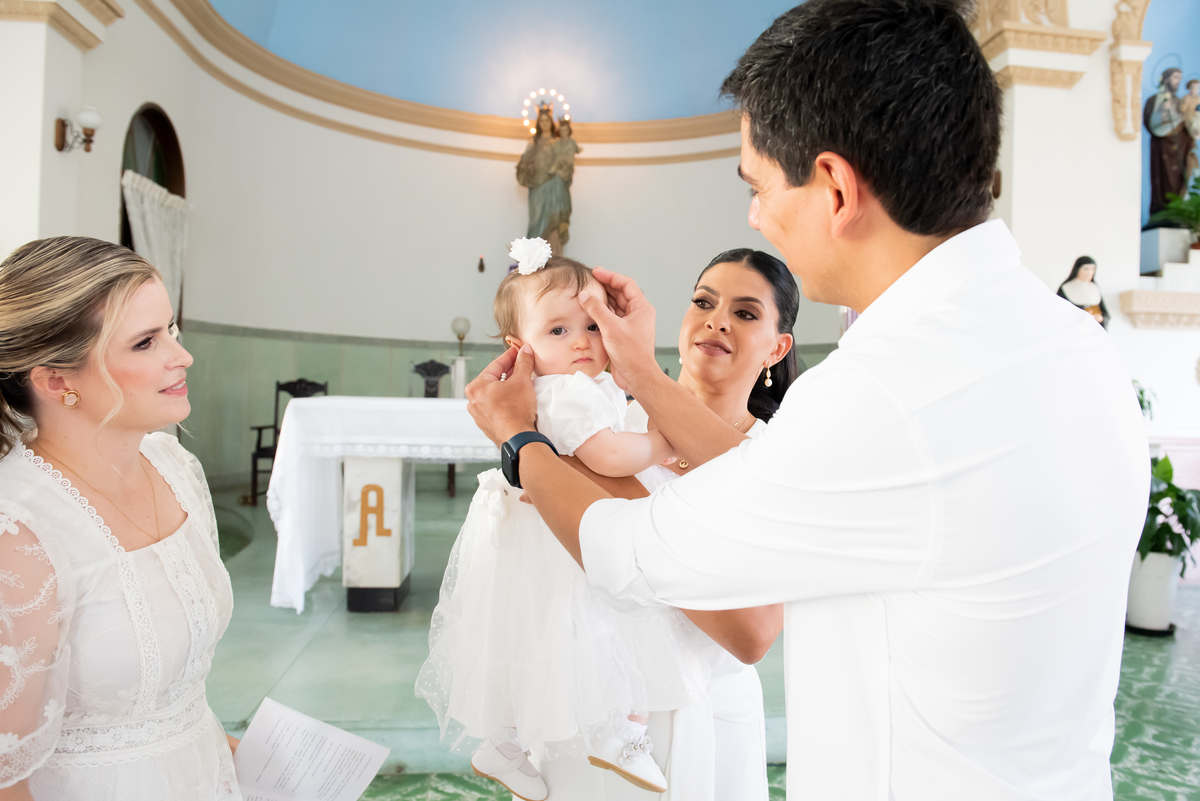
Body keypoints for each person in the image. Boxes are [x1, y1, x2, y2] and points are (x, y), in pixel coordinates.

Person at [464, 2, 1149, 799]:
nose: (756, 216)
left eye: (758, 187)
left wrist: (521, 440)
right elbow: (776, 474)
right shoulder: (1077, 345)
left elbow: (635, 554)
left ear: (834, 188)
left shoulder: (882, 393)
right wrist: (644, 376)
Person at [416, 239, 678, 800]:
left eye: (592, 326)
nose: (581, 341)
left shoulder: (565, 388)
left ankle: (505, 744)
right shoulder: (567, 393)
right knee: (619, 627)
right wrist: (664, 442)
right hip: (558, 535)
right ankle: (624, 735)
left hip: (530, 537)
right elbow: (608, 457)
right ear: (521, 348)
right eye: (558, 330)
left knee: (527, 637)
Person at [533, 248, 796, 801]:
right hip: (589, 694)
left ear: (777, 348)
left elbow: (751, 632)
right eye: (703, 302)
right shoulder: (605, 425)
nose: (716, 321)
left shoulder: (776, 459)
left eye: (745, 313)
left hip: (705, 707)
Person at [0, 237, 238, 800]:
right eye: (146, 342)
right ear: (58, 381)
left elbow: (170, 700)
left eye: (170, 330)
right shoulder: (20, 531)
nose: (182, 356)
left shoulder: (174, 466)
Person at [517, 107, 574, 254]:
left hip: (554, 186)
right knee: (536, 220)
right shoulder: (533, 143)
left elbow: (566, 164)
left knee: (554, 222)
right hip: (538, 188)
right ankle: (533, 257)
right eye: (541, 120)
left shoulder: (558, 143)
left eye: (547, 120)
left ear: (551, 122)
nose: (544, 123)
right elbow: (524, 166)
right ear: (538, 123)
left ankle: (553, 256)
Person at [1145, 68, 1194, 217]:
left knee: (1178, 179)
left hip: (1179, 147)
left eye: (1180, 78)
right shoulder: (1154, 100)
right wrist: (1163, 111)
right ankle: (1161, 210)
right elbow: (1149, 121)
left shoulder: (1180, 102)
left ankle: (1178, 209)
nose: (1178, 81)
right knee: (1162, 179)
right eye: (1175, 77)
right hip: (1162, 148)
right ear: (1166, 79)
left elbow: (1188, 124)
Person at [1057, 256, 1110, 328]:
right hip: (1074, 328)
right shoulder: (1065, 288)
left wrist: (1101, 318)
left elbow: (1105, 313)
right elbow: (1060, 312)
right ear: (1077, 269)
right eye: (1086, 269)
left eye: (1093, 269)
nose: (1090, 272)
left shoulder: (1095, 287)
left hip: (1094, 328)